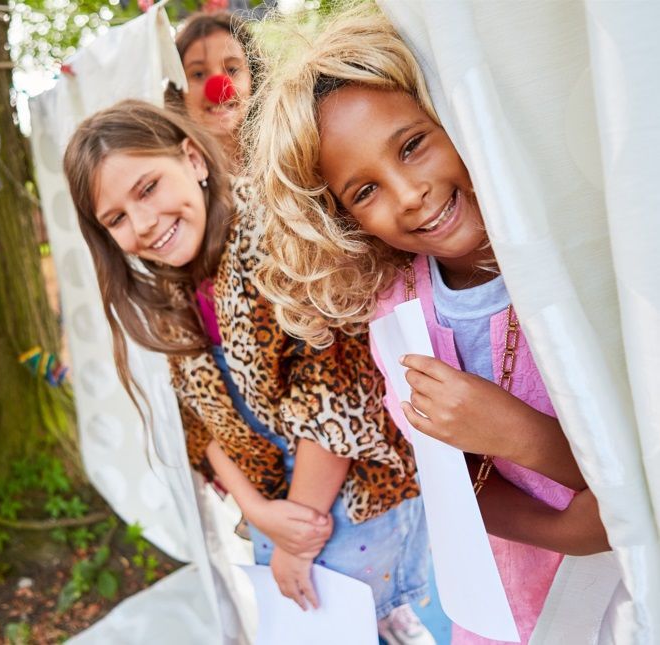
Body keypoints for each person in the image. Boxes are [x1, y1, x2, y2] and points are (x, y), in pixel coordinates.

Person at [248, 8, 610, 644]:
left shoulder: (580, 254)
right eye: (365, 191)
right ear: (343, 220)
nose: (409, 193)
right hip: (515, 608)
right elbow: (457, 486)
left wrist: (521, 435)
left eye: (412, 145)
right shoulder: (399, 312)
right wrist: (562, 532)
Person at [63, 100, 435, 643]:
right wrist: (259, 512)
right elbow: (200, 425)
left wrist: (294, 537)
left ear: (193, 159)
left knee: (348, 621)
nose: (142, 224)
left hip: (347, 491)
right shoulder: (172, 290)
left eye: (148, 189)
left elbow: (336, 397)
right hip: (275, 507)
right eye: (116, 218)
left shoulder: (276, 241)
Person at [166, 11, 259, 170]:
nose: (220, 90)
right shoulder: (167, 169)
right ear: (178, 90)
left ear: (254, 76)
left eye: (232, 69)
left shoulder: (289, 159)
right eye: (198, 74)